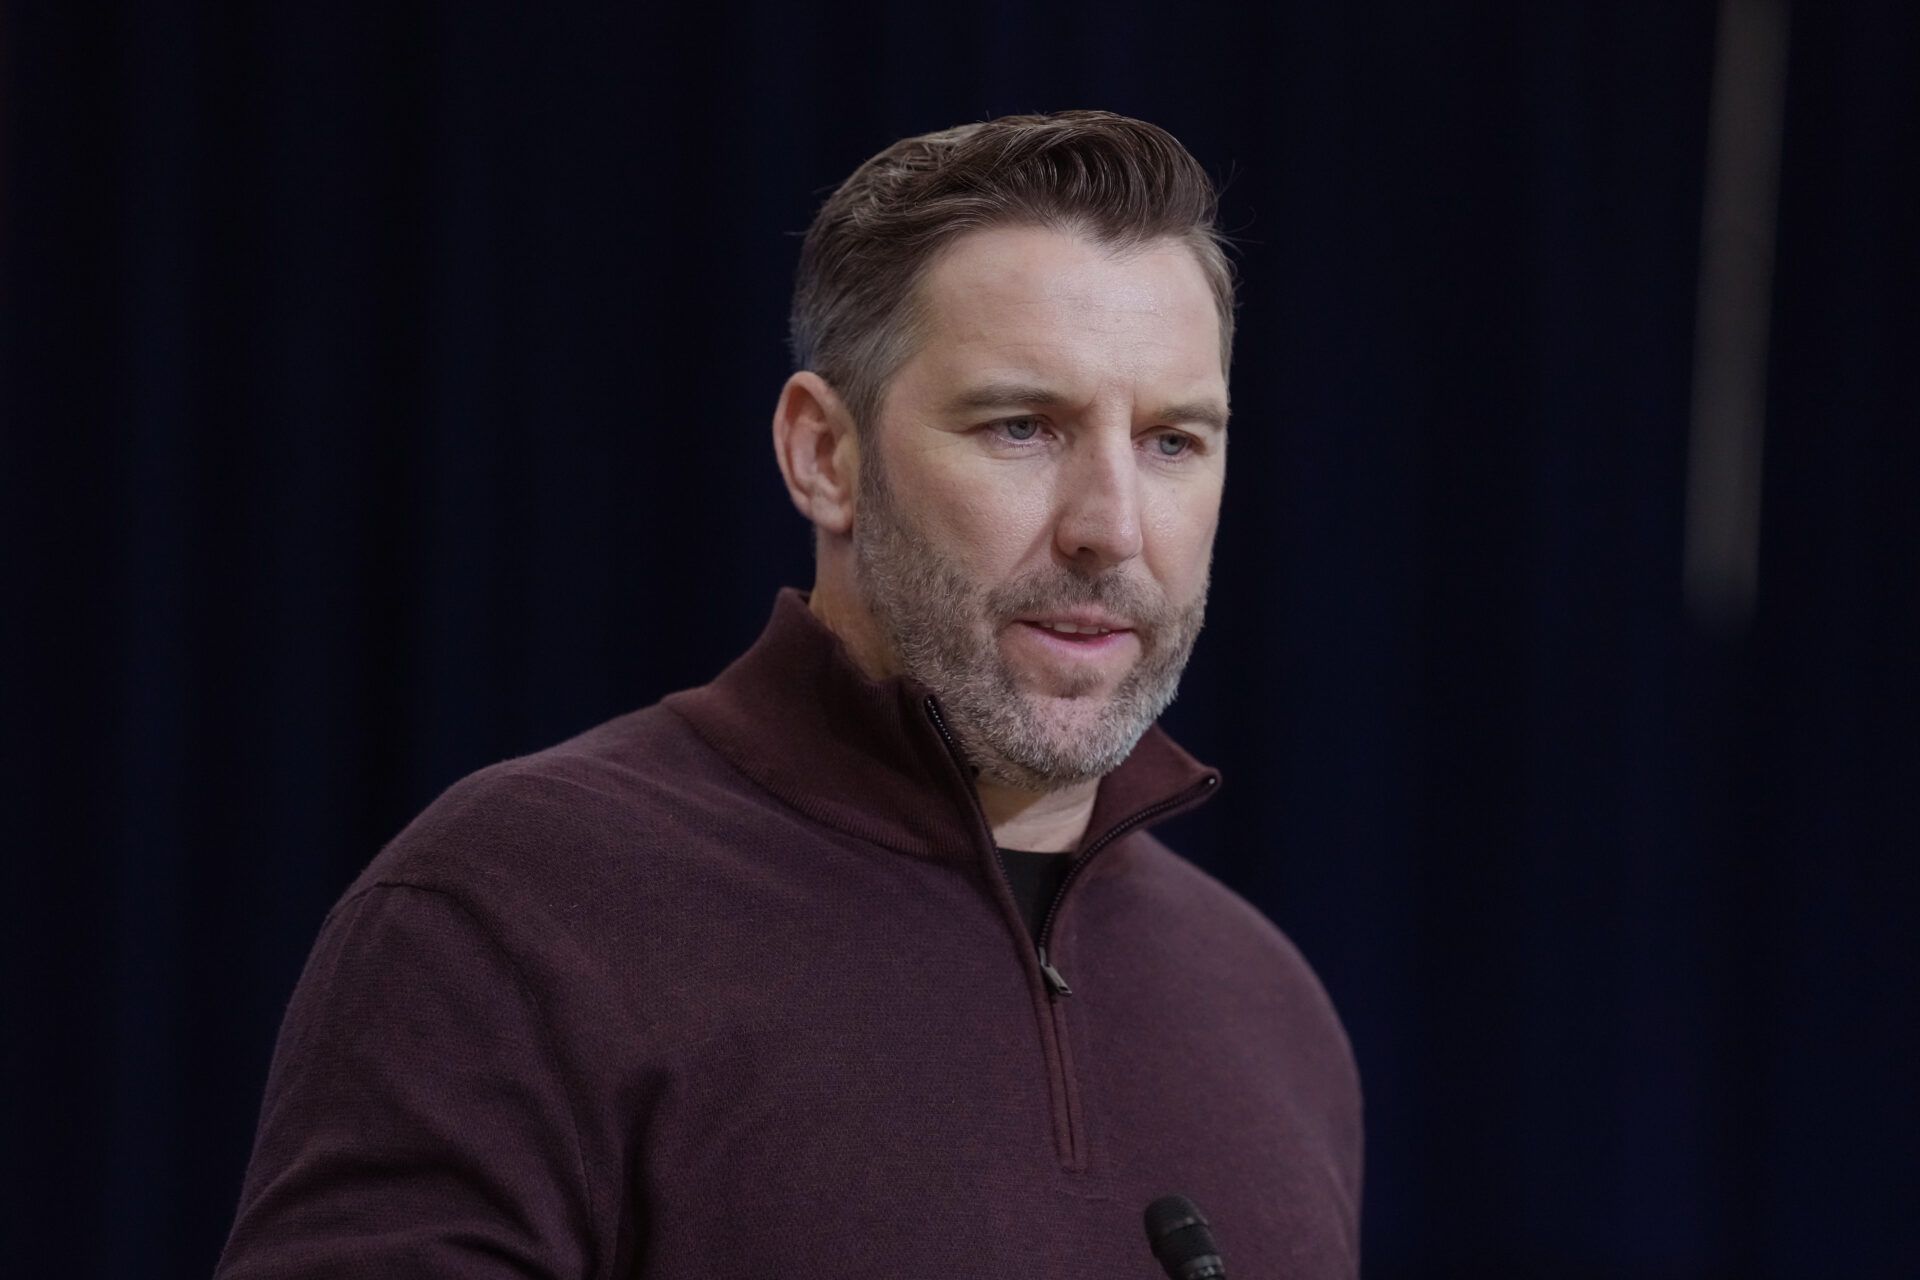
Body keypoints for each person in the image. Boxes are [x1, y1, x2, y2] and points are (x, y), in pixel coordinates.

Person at [215, 110, 1362, 1279]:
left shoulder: (1268, 1007)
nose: (1111, 528)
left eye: (1174, 441)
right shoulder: (508, 911)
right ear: (824, 453)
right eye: (1022, 427)